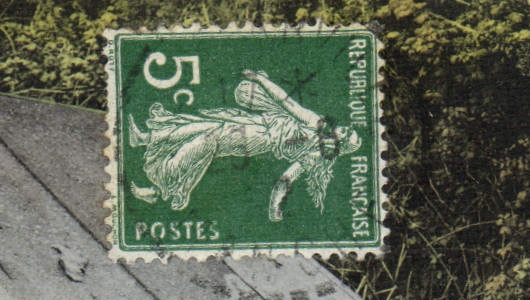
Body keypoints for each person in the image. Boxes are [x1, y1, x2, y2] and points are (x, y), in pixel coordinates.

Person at [128, 69, 362, 221]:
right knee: (203, 125)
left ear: (340, 144)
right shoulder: (318, 124)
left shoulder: (315, 145)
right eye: (348, 128)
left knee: (205, 142)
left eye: (347, 133)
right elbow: (288, 105)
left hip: (257, 137)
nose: (344, 128)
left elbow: (286, 178)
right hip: (257, 123)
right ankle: (146, 139)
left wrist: (274, 208)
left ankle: (158, 189)